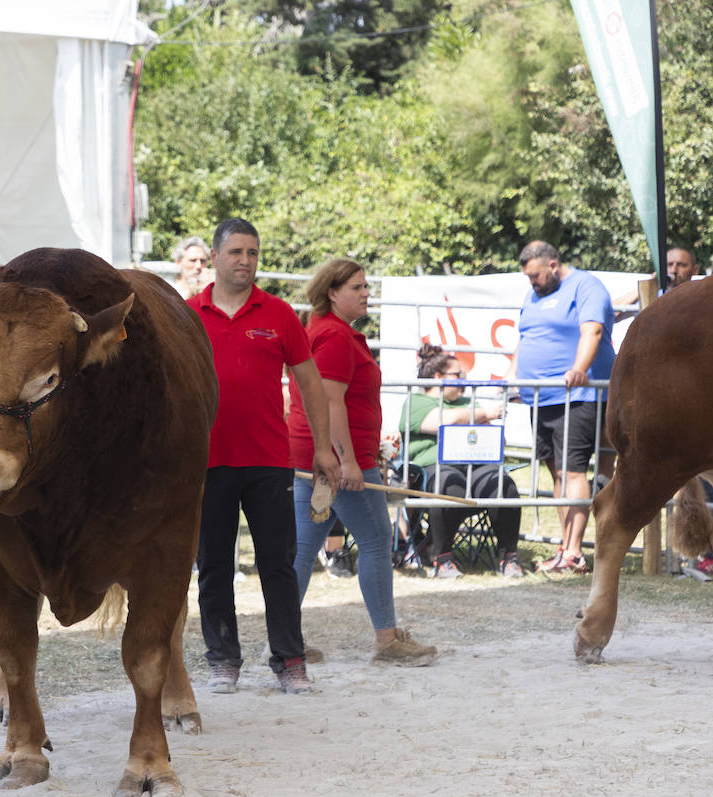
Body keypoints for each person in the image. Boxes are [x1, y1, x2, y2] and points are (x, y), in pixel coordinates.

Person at [188, 218, 342, 695]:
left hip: (267, 460)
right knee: (214, 566)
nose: (245, 261)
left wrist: (321, 447)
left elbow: (310, 384)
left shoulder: (278, 314)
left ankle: (290, 661)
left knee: (279, 564)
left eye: (252, 253)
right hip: (206, 462)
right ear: (215, 257)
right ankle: (223, 661)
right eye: (235, 252)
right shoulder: (189, 314)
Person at [290, 258, 437, 665]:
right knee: (374, 541)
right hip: (337, 460)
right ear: (332, 293)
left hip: (312, 457)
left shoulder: (320, 331)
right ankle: (387, 641)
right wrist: (348, 461)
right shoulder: (335, 337)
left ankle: (283, 640)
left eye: (366, 286)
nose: (366, 293)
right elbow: (331, 402)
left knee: (304, 549)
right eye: (357, 287)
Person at [510, 241, 614, 574]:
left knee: (572, 470)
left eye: (536, 275)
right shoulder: (533, 295)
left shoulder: (586, 286)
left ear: (553, 265)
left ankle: (574, 552)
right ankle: (565, 547)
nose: (532, 282)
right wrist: (511, 377)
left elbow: (593, 330)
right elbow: (526, 337)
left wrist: (580, 368)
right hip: (540, 396)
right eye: (528, 277)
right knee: (556, 471)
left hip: (576, 396)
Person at [398, 343, 524, 579]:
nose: (464, 379)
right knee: (449, 481)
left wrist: (478, 417)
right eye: (458, 375)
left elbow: (493, 436)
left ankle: (509, 557)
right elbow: (444, 421)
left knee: (502, 484)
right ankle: (442, 557)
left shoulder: (469, 403)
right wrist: (485, 414)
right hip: (431, 471)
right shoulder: (416, 402)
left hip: (475, 465)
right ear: (438, 377)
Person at [170, 235, 213, 299]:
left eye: (202, 261)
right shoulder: (170, 293)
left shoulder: (213, 292)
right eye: (193, 260)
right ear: (178, 262)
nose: (199, 266)